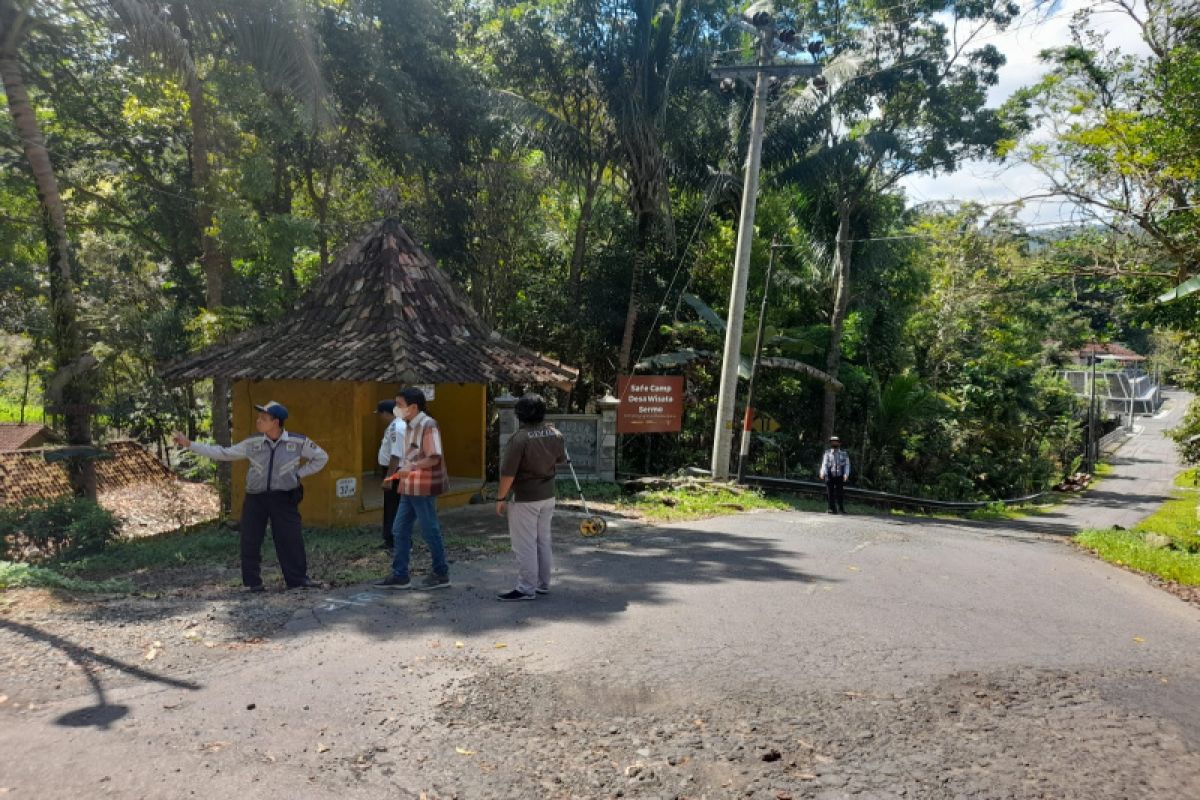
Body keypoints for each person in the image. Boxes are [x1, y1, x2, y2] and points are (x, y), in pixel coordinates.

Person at [172, 401, 328, 592]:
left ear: (276, 422)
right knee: (250, 539)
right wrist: (189, 444)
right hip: (256, 498)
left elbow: (321, 457)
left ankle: (297, 580)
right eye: (259, 417)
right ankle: (252, 583)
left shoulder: (297, 442)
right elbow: (223, 453)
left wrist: (299, 474)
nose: (258, 421)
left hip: (284, 498)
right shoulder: (253, 443)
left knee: (290, 538)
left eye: (264, 418)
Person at [374, 388, 451, 590]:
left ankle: (441, 572)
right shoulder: (407, 425)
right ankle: (400, 575)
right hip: (409, 485)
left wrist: (412, 466)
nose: (396, 409)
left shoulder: (428, 425)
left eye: (399, 405)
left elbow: (434, 456)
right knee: (399, 529)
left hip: (423, 485)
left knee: (429, 529)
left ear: (413, 407)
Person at [494, 393, 566, 601]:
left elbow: (508, 473)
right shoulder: (555, 434)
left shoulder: (520, 438)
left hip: (525, 497)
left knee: (524, 544)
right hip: (548, 495)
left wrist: (500, 498)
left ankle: (526, 588)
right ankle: (543, 584)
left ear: (519, 415)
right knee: (543, 540)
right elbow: (559, 459)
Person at [376, 399, 406, 552]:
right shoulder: (396, 425)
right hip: (394, 471)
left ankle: (394, 541)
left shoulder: (396, 427)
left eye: (380, 414)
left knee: (393, 507)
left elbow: (395, 455)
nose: (380, 418)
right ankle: (390, 539)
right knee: (391, 506)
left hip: (395, 472)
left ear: (387, 413)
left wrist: (388, 478)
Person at [819, 435, 850, 514]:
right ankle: (831, 508)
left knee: (840, 493)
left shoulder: (844, 454)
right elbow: (824, 464)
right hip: (830, 475)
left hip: (840, 476)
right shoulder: (827, 453)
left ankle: (841, 508)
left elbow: (847, 465)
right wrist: (822, 472)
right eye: (832, 442)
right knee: (830, 493)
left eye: (835, 441)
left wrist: (846, 474)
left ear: (839, 443)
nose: (834, 443)